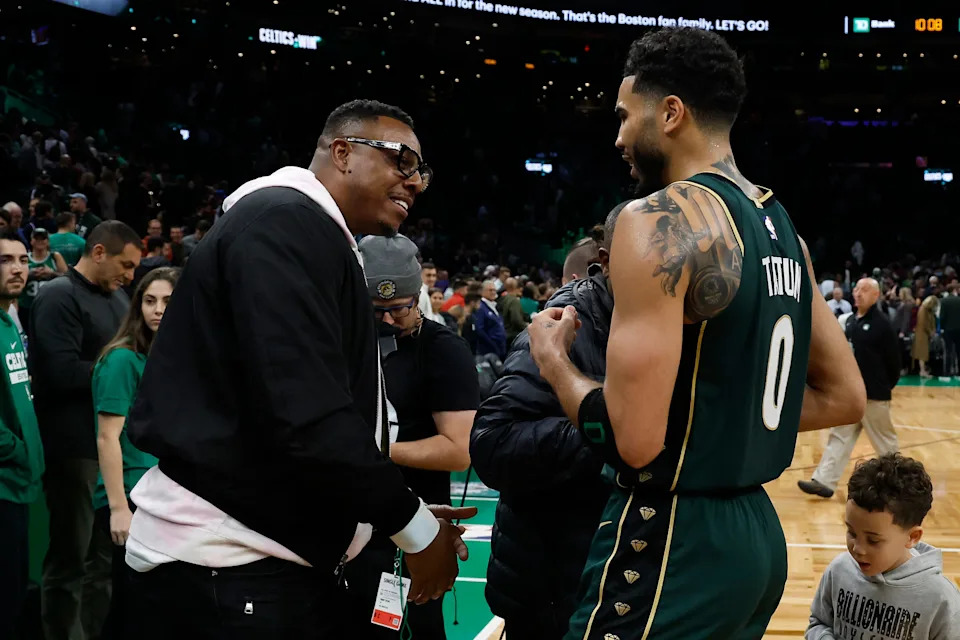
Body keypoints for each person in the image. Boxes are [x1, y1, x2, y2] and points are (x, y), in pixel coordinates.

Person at [526, 28, 865, 639]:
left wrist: (555, 363)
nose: (618, 137)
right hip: (756, 540)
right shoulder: (784, 231)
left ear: (671, 113)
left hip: (673, 539)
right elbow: (845, 398)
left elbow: (632, 441)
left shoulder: (656, 221)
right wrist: (716, 426)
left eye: (625, 116)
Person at [122, 99, 473, 639]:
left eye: (421, 171)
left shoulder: (304, 230)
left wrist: (388, 515)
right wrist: (414, 527)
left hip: (251, 556)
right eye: (402, 160)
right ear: (343, 152)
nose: (415, 181)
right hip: (228, 561)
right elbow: (307, 415)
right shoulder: (282, 223)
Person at [471, 205, 623, 639]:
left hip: (615, 581)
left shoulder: (650, 321)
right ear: (605, 263)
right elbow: (493, 443)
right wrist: (604, 427)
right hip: (553, 591)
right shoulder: (560, 323)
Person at [343, 234, 477, 638]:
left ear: (417, 297)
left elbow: (458, 450)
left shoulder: (442, 350)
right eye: (375, 310)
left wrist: (372, 451)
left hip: (412, 528)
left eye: (399, 308)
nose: (387, 320)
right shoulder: (346, 343)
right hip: (346, 527)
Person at [30, 220, 141, 640]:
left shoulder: (118, 298)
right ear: (98, 253)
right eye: (125, 265)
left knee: (105, 562)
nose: (130, 275)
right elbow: (58, 372)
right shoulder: (58, 295)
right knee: (71, 559)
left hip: (113, 450)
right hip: (73, 449)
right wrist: (122, 373)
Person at [93, 267, 179, 638]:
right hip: (129, 496)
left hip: (166, 496)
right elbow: (106, 437)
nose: (157, 309)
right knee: (130, 609)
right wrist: (118, 508)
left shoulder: (173, 358)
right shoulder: (122, 359)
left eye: (167, 301)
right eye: (149, 300)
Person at [806, 454, 960, 639]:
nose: (858, 549)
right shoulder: (839, 570)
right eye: (852, 533)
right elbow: (819, 622)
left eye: (873, 540)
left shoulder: (941, 599)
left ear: (912, 537)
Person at [798, 278, 901, 498]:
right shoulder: (851, 322)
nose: (858, 293)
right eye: (856, 289)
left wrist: (883, 386)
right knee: (839, 436)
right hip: (852, 395)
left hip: (874, 395)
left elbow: (894, 361)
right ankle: (824, 481)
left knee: (885, 442)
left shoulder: (882, 325)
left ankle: (898, 483)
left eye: (864, 290)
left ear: (876, 295)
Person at [0, 229, 45, 640]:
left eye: (23, 259)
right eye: (5, 260)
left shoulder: (10, 322)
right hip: (3, 482)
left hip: (19, 481)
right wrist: (15, 450)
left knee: (16, 592)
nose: (18, 269)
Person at [18, 227, 68, 337]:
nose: (40, 242)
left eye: (43, 239)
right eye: (37, 238)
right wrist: (29, 275)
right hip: (26, 306)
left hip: (49, 306)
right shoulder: (24, 258)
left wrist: (52, 274)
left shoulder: (54, 257)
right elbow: (16, 278)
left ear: (48, 241)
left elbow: (67, 279)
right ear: (31, 241)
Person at [474, 279, 506, 360]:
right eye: (490, 290)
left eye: (494, 290)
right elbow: (480, 329)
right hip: (489, 350)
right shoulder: (481, 307)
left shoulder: (494, 306)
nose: (493, 292)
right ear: (482, 291)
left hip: (500, 347)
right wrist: (492, 344)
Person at [912, 295, 939, 378]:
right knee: (922, 354)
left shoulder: (928, 310)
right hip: (922, 334)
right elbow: (923, 323)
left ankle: (923, 370)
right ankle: (922, 371)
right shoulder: (923, 310)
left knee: (924, 353)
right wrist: (930, 331)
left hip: (925, 334)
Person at [938, 283, 960, 377]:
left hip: (948, 329)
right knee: (959, 351)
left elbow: (942, 317)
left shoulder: (944, 301)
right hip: (959, 329)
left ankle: (947, 372)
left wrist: (942, 327)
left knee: (948, 351)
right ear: (955, 290)